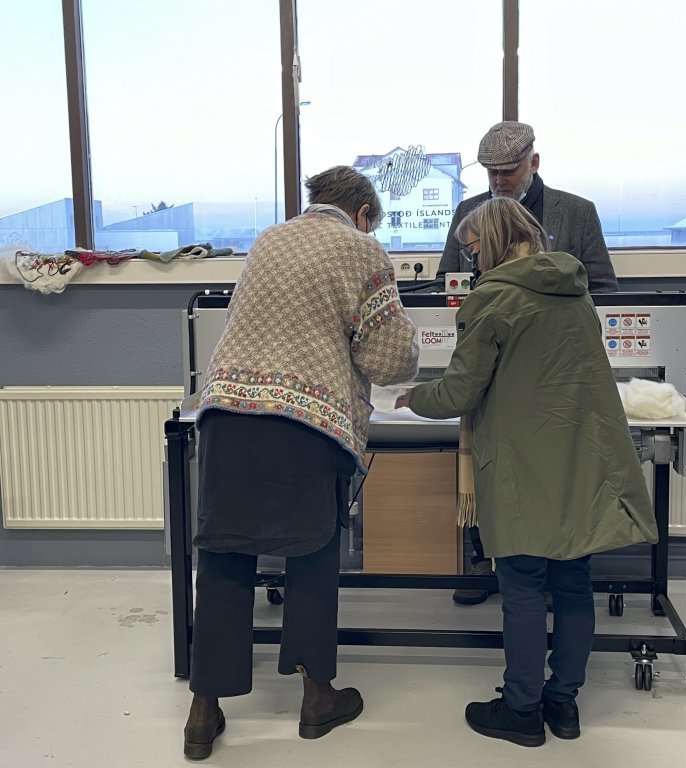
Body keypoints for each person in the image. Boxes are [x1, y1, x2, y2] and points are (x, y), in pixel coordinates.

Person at [396, 197, 657, 746]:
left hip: (519, 462)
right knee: (572, 582)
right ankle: (563, 706)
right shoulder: (574, 291)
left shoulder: (492, 302)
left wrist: (412, 397)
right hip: (579, 459)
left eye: (471, 251)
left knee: (520, 587)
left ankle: (520, 711)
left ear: (489, 243)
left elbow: (461, 390)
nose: (469, 263)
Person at [183, 165, 419, 760]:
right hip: (307, 420)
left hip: (227, 409)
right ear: (364, 214)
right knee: (312, 552)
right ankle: (317, 698)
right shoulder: (363, 249)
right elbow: (391, 360)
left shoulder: (269, 238)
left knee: (224, 552)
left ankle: (203, 711)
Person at [440, 120, 620, 605]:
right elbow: (449, 286)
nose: (499, 181)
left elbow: (602, 288)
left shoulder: (577, 213)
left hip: (554, 371)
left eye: (508, 170)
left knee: (552, 468)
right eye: (491, 173)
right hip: (490, 365)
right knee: (489, 459)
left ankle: (551, 566)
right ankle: (485, 556)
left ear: (533, 163)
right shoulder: (467, 213)